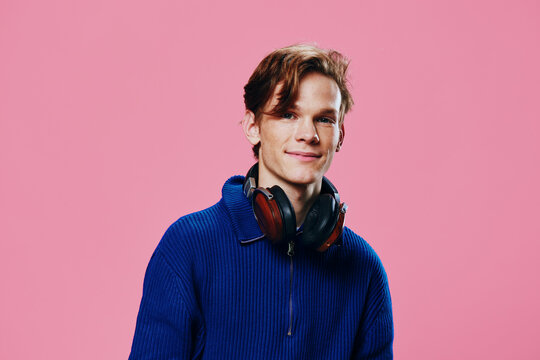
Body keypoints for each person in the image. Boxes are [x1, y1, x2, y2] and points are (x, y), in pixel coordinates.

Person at [129, 44, 393, 359]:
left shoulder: (363, 267)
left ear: (340, 135)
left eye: (323, 119)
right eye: (288, 114)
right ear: (253, 127)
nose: (307, 133)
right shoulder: (187, 247)